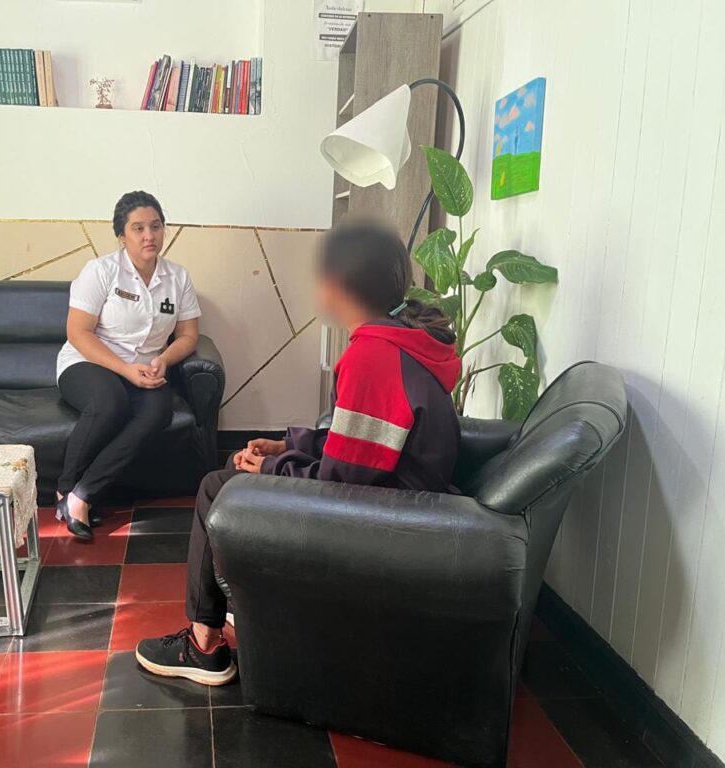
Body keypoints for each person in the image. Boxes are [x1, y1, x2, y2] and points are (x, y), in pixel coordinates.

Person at [135, 219, 462, 685]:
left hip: (385, 521)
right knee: (233, 470)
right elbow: (365, 448)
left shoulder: (373, 355)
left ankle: (204, 646)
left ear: (339, 285)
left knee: (216, 487)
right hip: (390, 499)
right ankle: (240, 605)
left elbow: (342, 483)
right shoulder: (399, 341)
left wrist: (272, 466)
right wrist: (288, 446)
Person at [55, 191, 201, 542]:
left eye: (156, 226)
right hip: (88, 362)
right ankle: (65, 487)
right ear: (122, 235)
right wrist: (124, 369)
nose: (149, 235)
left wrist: (163, 359)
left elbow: (188, 335)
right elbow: (78, 332)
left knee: (158, 413)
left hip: (145, 369)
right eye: (138, 228)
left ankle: (81, 495)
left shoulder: (178, 277)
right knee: (110, 403)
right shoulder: (101, 271)